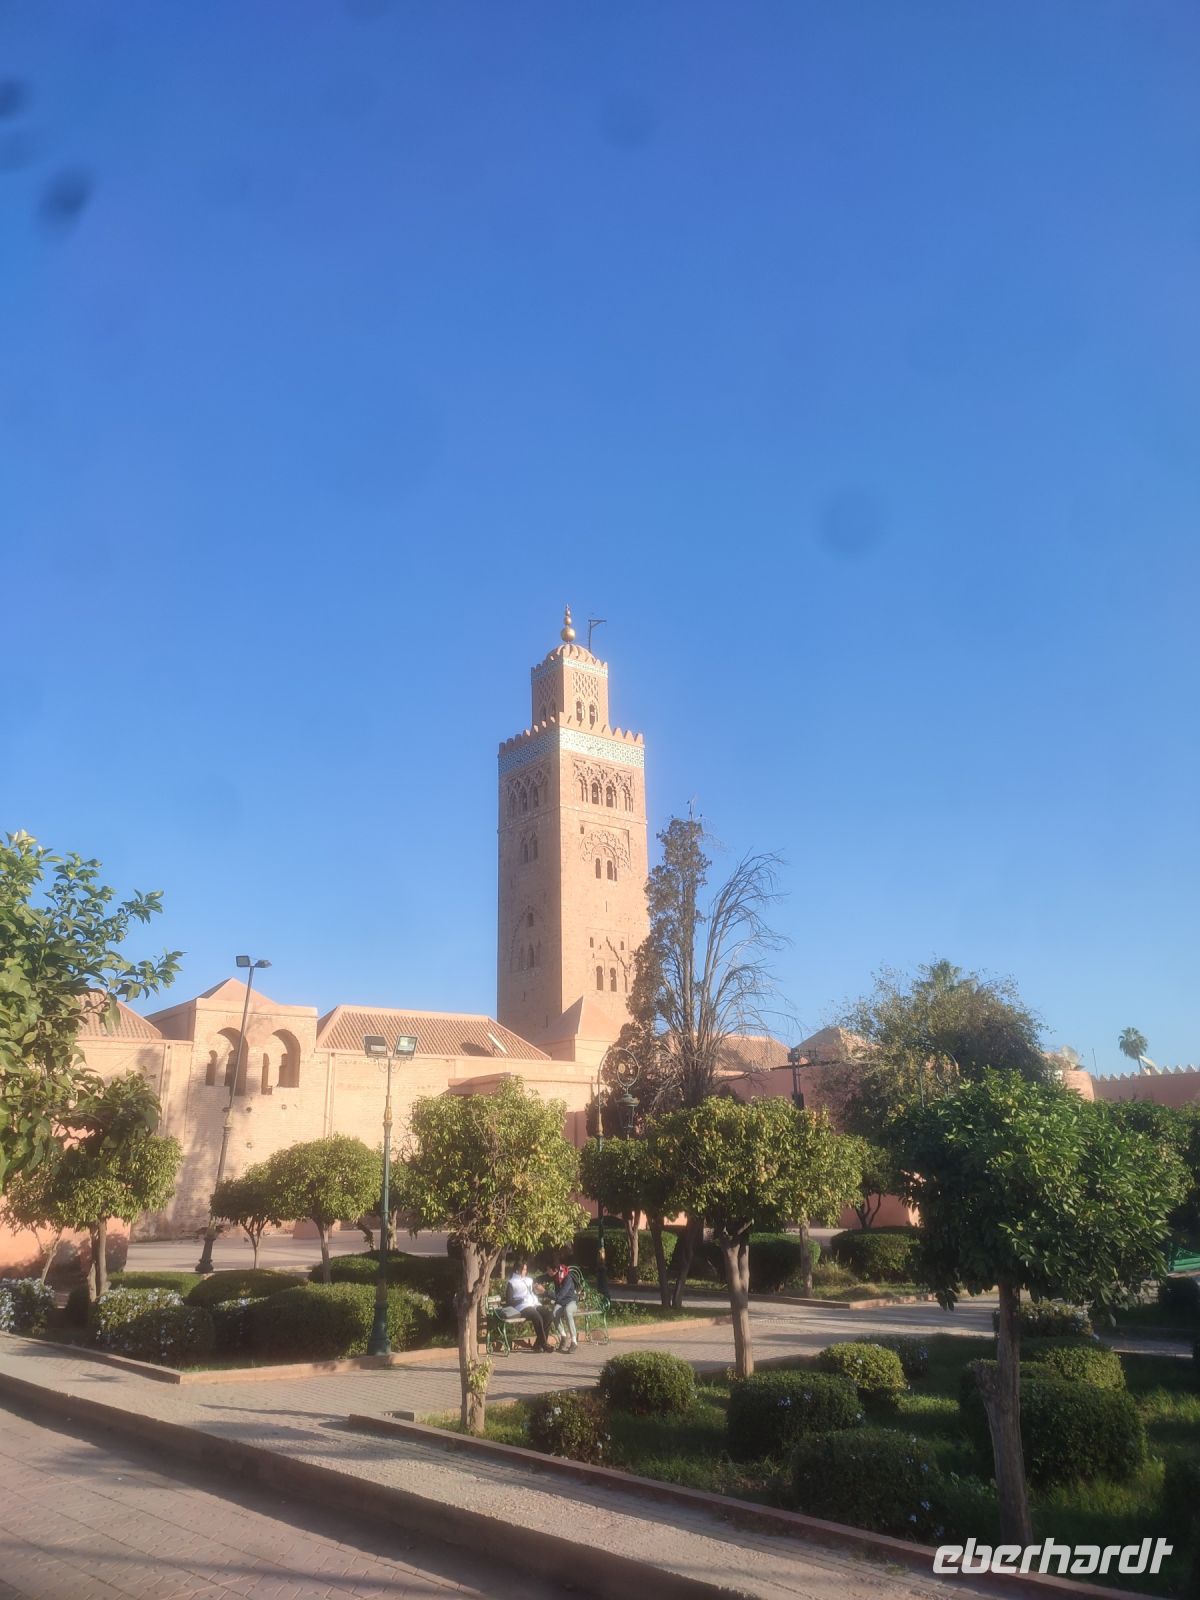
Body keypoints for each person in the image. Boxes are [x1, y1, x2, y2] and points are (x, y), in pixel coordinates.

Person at [506, 1260, 553, 1351]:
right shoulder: (512, 1282)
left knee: (549, 1315)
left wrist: (539, 1290)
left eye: (526, 1269)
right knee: (537, 1316)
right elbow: (509, 1301)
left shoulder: (529, 1280)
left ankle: (538, 1344)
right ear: (517, 1270)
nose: (525, 1271)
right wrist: (521, 1300)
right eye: (524, 1269)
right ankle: (544, 1344)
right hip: (522, 1307)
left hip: (534, 1304)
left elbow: (535, 1290)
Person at [549, 1263, 579, 1353]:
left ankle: (574, 1342)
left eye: (548, 1270)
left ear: (555, 1270)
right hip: (561, 1302)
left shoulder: (567, 1278)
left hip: (571, 1302)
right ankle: (563, 1337)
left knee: (568, 1311)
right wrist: (534, 1280)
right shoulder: (555, 1277)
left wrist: (545, 1293)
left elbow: (561, 1295)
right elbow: (543, 1277)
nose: (547, 1272)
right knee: (554, 1313)